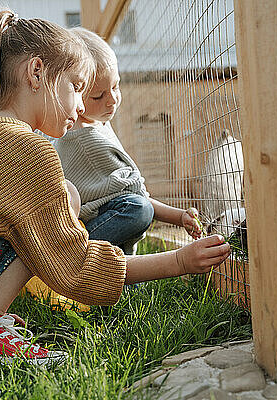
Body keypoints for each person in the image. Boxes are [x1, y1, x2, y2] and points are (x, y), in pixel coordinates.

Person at [0, 10, 230, 366]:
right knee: (51, 212)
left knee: (63, 193)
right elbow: (73, 265)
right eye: (77, 87)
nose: (82, 104)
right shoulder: (26, 148)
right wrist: (179, 261)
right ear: (37, 72)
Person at [50, 27, 202, 256]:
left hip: (102, 218)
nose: (112, 100)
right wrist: (178, 216)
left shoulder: (95, 122)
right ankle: (71, 254)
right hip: (81, 227)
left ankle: (115, 273)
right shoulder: (84, 138)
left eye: (115, 86)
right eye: (98, 96)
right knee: (137, 210)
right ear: (73, 96)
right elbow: (139, 197)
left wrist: (180, 217)